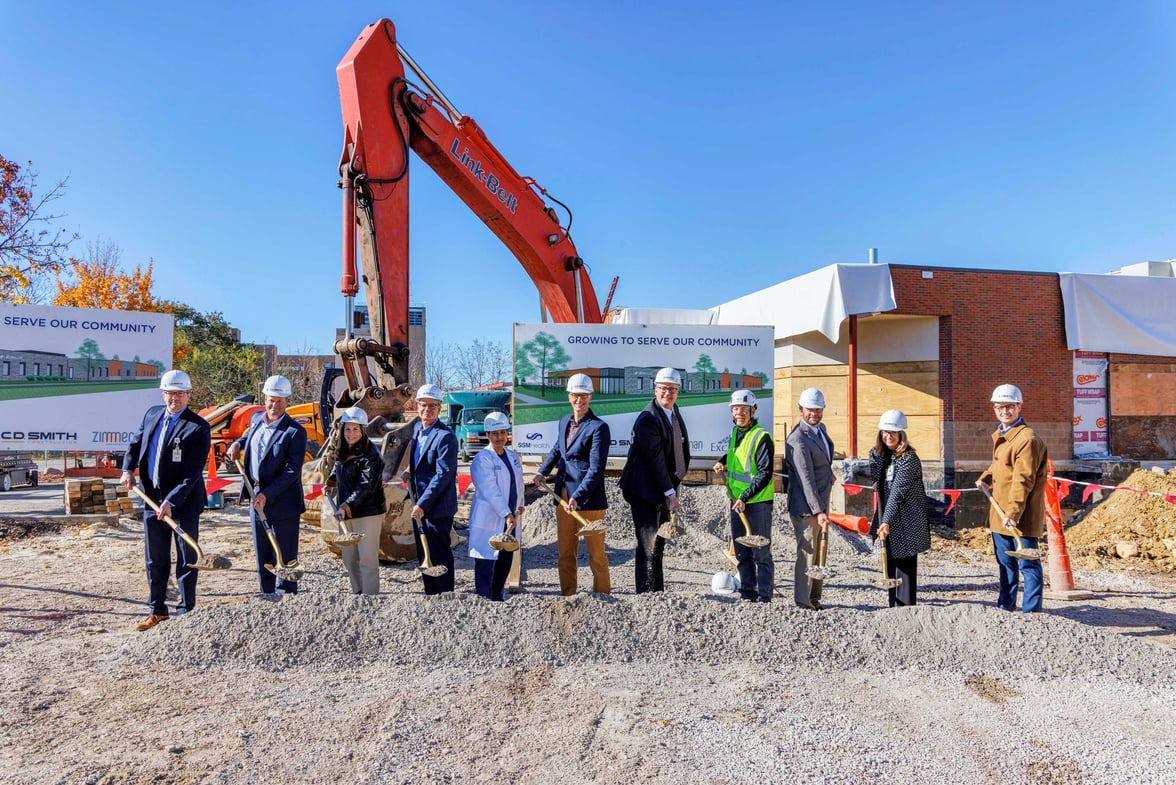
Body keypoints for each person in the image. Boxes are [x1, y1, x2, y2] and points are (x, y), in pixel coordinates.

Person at [120, 369, 212, 631]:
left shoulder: (197, 426)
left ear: (188, 395)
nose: (175, 399)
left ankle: (186, 611)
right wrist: (128, 469)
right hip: (152, 498)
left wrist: (171, 501)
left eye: (180, 394)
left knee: (186, 558)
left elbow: (193, 472)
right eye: (171, 394)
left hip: (182, 502)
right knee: (155, 558)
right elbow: (135, 445)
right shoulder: (152, 415)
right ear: (163, 394)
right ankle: (157, 610)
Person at [227, 375, 307, 595]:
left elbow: (292, 470)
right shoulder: (255, 420)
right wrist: (237, 443)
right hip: (256, 493)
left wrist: (268, 494)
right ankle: (266, 593)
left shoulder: (294, 432)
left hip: (283, 501)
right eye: (271, 400)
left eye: (280, 401)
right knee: (263, 551)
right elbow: (249, 438)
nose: (275, 405)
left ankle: (287, 593)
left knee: (285, 551)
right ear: (265, 398)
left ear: (286, 401)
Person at [535, 373, 611, 595]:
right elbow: (558, 450)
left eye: (584, 396)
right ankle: (568, 597)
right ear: (569, 396)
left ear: (590, 397)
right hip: (563, 498)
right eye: (576, 395)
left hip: (589, 501)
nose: (580, 400)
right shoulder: (564, 421)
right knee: (566, 554)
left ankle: (603, 597)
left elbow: (596, 469)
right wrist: (543, 471)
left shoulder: (598, 428)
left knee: (597, 555)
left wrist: (578, 496)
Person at [976, 384, 1048, 613]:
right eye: (999, 407)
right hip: (1000, 512)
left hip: (1020, 516)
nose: (1004, 411)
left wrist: (1013, 513)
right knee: (1005, 564)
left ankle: (1031, 612)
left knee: (1028, 563)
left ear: (1019, 406)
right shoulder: (1004, 434)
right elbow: (1002, 465)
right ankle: (1005, 608)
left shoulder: (1027, 439)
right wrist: (984, 477)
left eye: (1009, 407)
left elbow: (1023, 480)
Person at [619, 367, 692, 594]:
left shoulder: (673, 411)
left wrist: (671, 489)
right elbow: (655, 460)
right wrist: (670, 493)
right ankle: (645, 595)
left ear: (678, 392)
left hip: (662, 489)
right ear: (655, 389)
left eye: (672, 389)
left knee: (659, 544)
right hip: (644, 491)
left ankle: (657, 593)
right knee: (647, 545)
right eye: (663, 389)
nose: (667, 393)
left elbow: (678, 449)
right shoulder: (648, 419)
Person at [713, 390, 775, 602]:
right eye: (735, 409)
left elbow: (765, 473)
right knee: (741, 550)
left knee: (761, 552)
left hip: (757, 503)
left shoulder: (761, 436)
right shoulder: (735, 433)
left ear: (753, 410)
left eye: (743, 409)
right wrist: (722, 460)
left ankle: (765, 597)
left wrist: (745, 497)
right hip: (738, 501)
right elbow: (735, 454)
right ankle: (748, 592)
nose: (739, 413)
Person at [867, 409, 930, 607]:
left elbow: (897, 492)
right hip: (890, 517)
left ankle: (905, 608)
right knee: (890, 561)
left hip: (907, 519)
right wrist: (877, 457)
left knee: (905, 564)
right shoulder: (884, 457)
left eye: (893, 433)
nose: (888, 436)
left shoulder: (909, 460)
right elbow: (877, 480)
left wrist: (886, 521)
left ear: (901, 434)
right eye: (885, 432)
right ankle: (892, 605)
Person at [405, 383, 459, 595]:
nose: (427, 409)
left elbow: (443, 474)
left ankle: (444, 596)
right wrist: (411, 469)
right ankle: (430, 593)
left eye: (433, 405)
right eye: (424, 404)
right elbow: (424, 461)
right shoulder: (419, 430)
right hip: (419, 503)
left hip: (437, 507)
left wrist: (422, 504)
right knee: (424, 553)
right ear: (416, 405)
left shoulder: (445, 436)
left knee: (439, 554)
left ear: (440, 408)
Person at [327, 406, 386, 596]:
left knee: (367, 560)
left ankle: (370, 598)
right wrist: (331, 481)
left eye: (355, 429)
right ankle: (357, 593)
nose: (350, 433)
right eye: (347, 429)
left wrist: (346, 506)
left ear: (362, 430)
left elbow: (365, 486)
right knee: (349, 559)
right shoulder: (344, 449)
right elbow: (339, 468)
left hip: (368, 513)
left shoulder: (371, 455)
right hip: (346, 512)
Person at [785, 387, 834, 610]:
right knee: (808, 553)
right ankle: (804, 602)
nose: (814, 413)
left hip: (820, 503)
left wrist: (829, 473)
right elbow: (805, 478)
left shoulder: (820, 430)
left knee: (819, 553)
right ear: (800, 409)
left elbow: (821, 461)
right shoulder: (798, 438)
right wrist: (818, 510)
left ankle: (814, 598)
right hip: (807, 507)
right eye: (810, 409)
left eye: (818, 408)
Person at [468, 411, 525, 601]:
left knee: (504, 559)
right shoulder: (483, 459)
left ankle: (497, 596)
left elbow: (518, 482)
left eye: (502, 432)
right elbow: (489, 490)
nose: (499, 437)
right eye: (494, 434)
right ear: (488, 435)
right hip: (491, 517)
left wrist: (520, 504)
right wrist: (506, 513)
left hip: (509, 518)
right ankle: (484, 600)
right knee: (486, 561)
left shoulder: (512, 455)